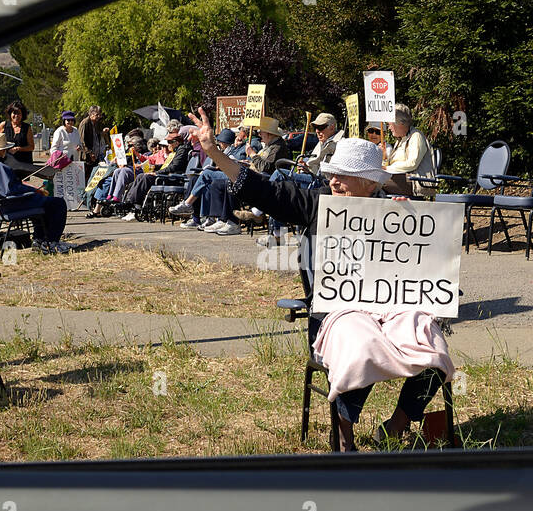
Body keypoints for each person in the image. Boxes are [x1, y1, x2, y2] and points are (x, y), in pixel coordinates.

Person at [190, 107, 452, 450]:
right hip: (337, 314)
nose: (333, 180)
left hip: (391, 309)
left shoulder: (396, 210)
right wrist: (213, 151)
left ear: (371, 183)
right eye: (332, 174)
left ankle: (397, 423)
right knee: (360, 341)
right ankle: (343, 432)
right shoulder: (316, 204)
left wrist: (410, 219)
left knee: (432, 343)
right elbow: (261, 190)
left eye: (343, 175)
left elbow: (427, 266)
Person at [0, 131, 70, 253]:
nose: (7, 151)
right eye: (5, 149)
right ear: (0, 151)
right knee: (58, 203)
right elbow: (11, 190)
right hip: (11, 204)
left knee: (43, 204)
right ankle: (51, 242)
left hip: (2, 205)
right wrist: (34, 190)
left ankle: (39, 240)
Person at [383, 103, 435, 198]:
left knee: (375, 182)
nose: (389, 128)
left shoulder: (416, 137)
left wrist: (387, 169)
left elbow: (412, 164)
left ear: (401, 123)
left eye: (390, 124)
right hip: (402, 179)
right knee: (371, 179)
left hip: (416, 182)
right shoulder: (400, 140)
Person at [49, 111, 86, 209]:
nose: (70, 122)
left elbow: (80, 144)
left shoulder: (75, 130)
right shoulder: (59, 131)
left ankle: (73, 204)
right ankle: (60, 204)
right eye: (68, 120)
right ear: (64, 121)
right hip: (62, 161)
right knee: (62, 184)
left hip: (74, 161)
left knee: (72, 182)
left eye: (72, 120)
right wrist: (57, 158)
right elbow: (53, 148)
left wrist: (79, 147)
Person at [0, 100, 35, 166]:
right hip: (7, 163)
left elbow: (31, 147)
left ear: (22, 115)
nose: (16, 116)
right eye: (14, 113)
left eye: (19, 113)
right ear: (10, 114)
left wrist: (18, 149)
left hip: (24, 164)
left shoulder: (27, 127)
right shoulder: (3, 125)